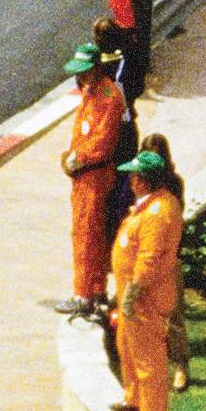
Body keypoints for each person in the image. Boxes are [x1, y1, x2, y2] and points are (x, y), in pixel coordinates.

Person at [103, 146, 186, 411]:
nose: (130, 182)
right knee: (127, 346)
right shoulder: (151, 206)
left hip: (144, 297)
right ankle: (135, 398)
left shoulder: (157, 212)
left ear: (140, 180)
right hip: (132, 293)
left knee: (147, 353)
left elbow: (149, 259)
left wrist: (134, 292)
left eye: (133, 177)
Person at [52, 43, 134, 319]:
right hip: (83, 174)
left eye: (85, 73)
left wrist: (79, 158)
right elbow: (81, 132)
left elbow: (102, 140)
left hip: (95, 175)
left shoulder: (109, 96)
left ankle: (84, 294)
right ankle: (94, 288)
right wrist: (69, 156)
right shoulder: (90, 91)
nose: (81, 78)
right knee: (86, 233)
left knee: (87, 234)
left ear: (98, 68)